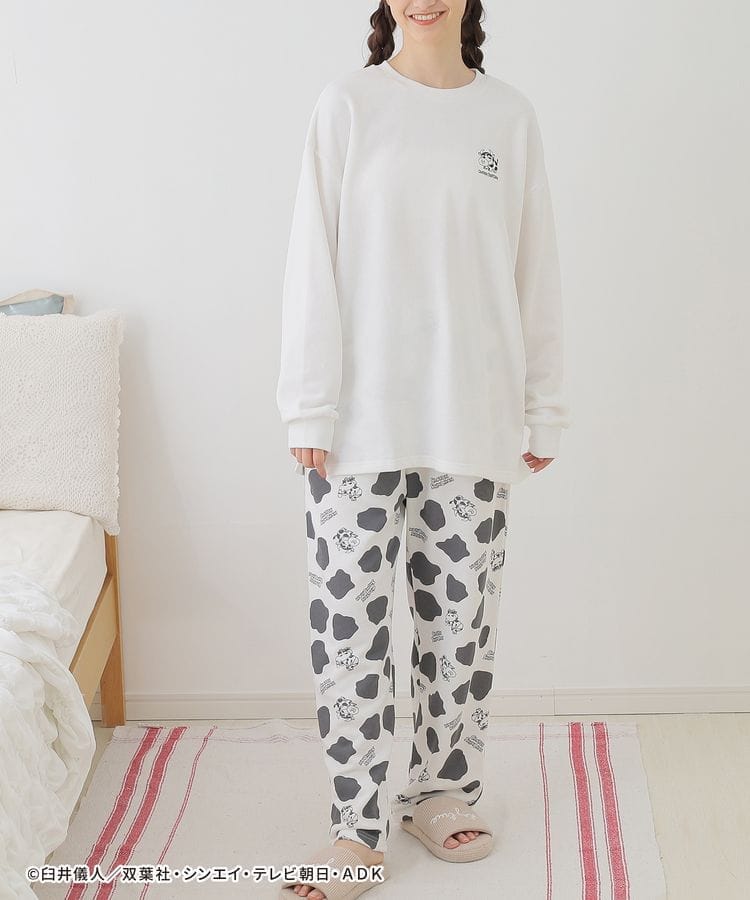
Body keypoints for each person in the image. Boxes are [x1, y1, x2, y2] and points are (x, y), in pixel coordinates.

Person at [275, 1, 571, 896]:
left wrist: (543, 407)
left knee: (460, 624)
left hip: (471, 415)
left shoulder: (507, 116)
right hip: (355, 425)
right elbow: (311, 257)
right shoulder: (348, 105)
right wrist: (308, 408)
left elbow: (535, 266)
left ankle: (442, 791)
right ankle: (357, 826)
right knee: (349, 633)